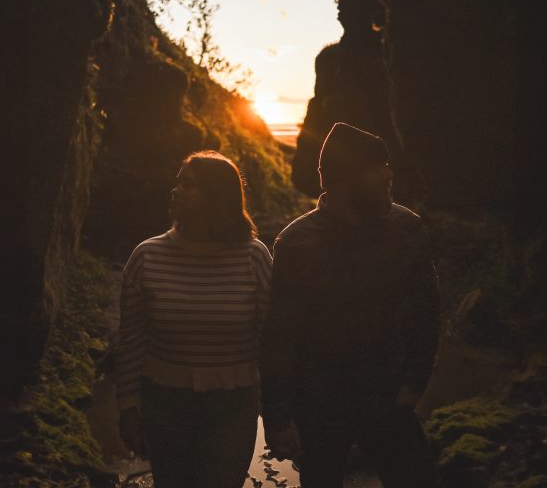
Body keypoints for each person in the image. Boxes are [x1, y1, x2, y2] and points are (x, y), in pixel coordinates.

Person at [260, 122, 441, 488]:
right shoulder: (295, 243)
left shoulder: (407, 228)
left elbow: (427, 311)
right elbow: (280, 334)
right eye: (379, 168)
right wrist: (279, 416)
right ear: (345, 179)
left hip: (391, 397)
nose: (389, 175)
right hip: (319, 404)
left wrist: (413, 385)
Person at [115, 150, 273, 488]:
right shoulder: (147, 256)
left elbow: (270, 338)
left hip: (234, 404)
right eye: (178, 183)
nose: (176, 191)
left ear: (218, 196)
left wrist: (278, 410)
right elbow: (130, 341)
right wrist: (128, 407)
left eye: (189, 185)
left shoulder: (254, 257)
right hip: (165, 403)